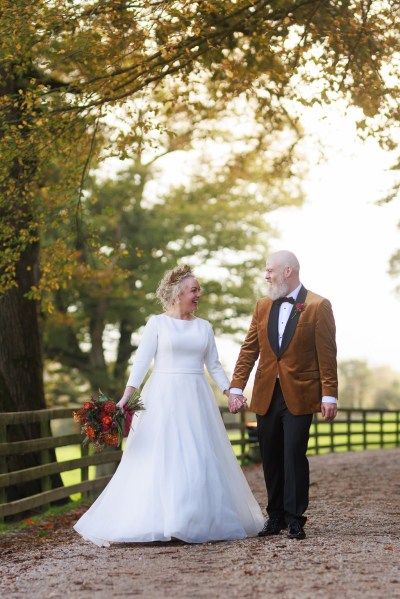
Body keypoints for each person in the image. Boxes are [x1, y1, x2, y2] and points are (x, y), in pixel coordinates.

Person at [74, 264, 264, 546]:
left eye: (199, 289)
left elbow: (213, 365)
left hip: (196, 397)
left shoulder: (204, 327)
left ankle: (193, 519)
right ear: (178, 293)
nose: (199, 294)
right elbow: (141, 364)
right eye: (194, 290)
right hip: (162, 396)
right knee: (161, 455)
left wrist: (231, 391)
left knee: (198, 455)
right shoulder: (157, 324)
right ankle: (160, 520)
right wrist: (125, 399)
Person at [228, 250, 338, 540]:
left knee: (293, 454)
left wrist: (329, 394)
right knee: (271, 456)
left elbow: (327, 354)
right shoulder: (262, 306)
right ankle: (274, 516)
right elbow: (249, 349)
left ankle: (294, 518)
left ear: (288, 271)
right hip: (266, 393)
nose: (266, 276)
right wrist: (237, 386)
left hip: (300, 394)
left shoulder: (318, 305)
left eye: (269, 270)